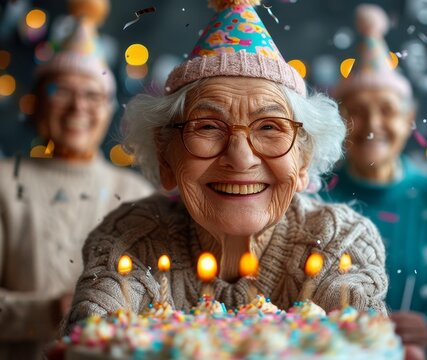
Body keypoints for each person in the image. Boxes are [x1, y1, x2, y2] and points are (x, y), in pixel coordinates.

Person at [64, 0, 389, 332]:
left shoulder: (340, 241)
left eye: (269, 127)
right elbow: (91, 334)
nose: (241, 157)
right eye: (207, 127)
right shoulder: (132, 237)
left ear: (303, 160)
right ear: (166, 156)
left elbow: (363, 336)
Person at [0, 0, 154, 359]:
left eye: (92, 95)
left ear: (109, 109)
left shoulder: (136, 195)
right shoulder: (1, 183)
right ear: (37, 103)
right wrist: (49, 311)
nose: (78, 107)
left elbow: (156, 301)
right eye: (61, 91)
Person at [321, 4, 427, 359]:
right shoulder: (315, 198)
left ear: (409, 117)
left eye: (387, 110)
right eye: (356, 111)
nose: (372, 124)